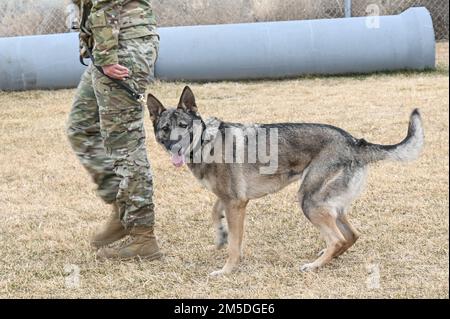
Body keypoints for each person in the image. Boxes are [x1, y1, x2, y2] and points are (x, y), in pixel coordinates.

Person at [66, 0, 162, 261]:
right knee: (81, 126)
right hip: (107, 44)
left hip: (123, 45)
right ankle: (122, 210)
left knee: (125, 142)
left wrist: (107, 56)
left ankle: (143, 236)